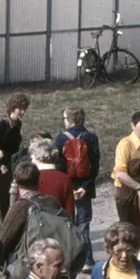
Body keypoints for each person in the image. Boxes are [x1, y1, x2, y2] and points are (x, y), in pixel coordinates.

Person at [54, 107, 101, 268]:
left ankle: (70, 261)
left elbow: (58, 167)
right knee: (83, 224)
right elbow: (95, 166)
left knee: (67, 223)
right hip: (84, 189)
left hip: (67, 188)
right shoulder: (91, 137)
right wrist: (85, 187)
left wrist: (68, 188)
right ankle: (87, 260)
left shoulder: (60, 139)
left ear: (69, 119)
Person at [112, 111, 140, 241]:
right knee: (128, 233)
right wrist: (138, 187)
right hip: (127, 195)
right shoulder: (125, 144)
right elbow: (120, 173)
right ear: (132, 125)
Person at [0, 93, 30, 216]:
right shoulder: (0, 125)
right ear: (13, 108)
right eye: (20, 108)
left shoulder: (17, 124)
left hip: (12, 162)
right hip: (1, 165)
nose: (23, 112)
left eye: (24, 109)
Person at [29, 137, 74, 221]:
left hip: (36, 224)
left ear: (38, 157)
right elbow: (69, 211)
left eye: (32, 158)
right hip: (59, 224)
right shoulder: (64, 178)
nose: (31, 161)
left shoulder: (31, 177)